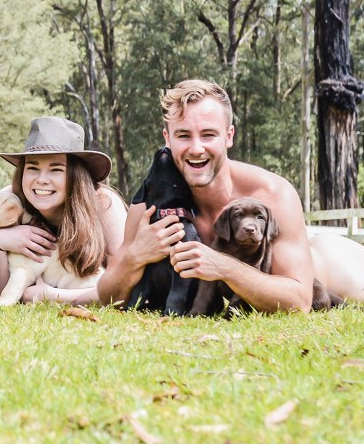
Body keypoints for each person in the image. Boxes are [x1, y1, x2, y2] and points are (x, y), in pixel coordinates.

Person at [99, 79, 364, 312]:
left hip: (331, 261)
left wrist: (223, 266)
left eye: (208, 135)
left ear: (229, 136)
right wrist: (135, 257)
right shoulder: (152, 205)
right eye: (183, 135)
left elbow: (299, 302)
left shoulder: (274, 194)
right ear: (168, 139)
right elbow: (107, 296)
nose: (196, 148)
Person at [0, 116, 128, 305]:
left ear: (76, 174)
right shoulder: (10, 201)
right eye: (33, 168)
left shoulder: (104, 204)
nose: (42, 180)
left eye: (56, 169)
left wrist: (49, 296)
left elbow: (126, 287)